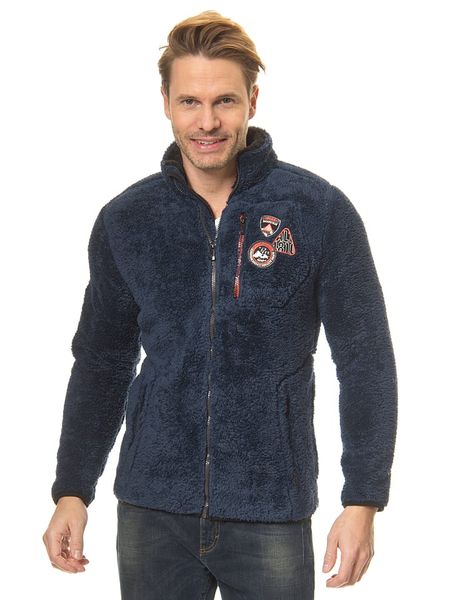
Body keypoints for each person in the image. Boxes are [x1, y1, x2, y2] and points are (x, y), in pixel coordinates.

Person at [42, 10, 398, 599]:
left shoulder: (317, 211)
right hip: (152, 508)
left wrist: (363, 498)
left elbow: (365, 360)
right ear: (165, 102)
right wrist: (73, 490)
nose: (207, 122)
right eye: (190, 101)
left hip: (270, 507)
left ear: (253, 101)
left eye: (224, 101)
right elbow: (101, 363)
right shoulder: (126, 220)